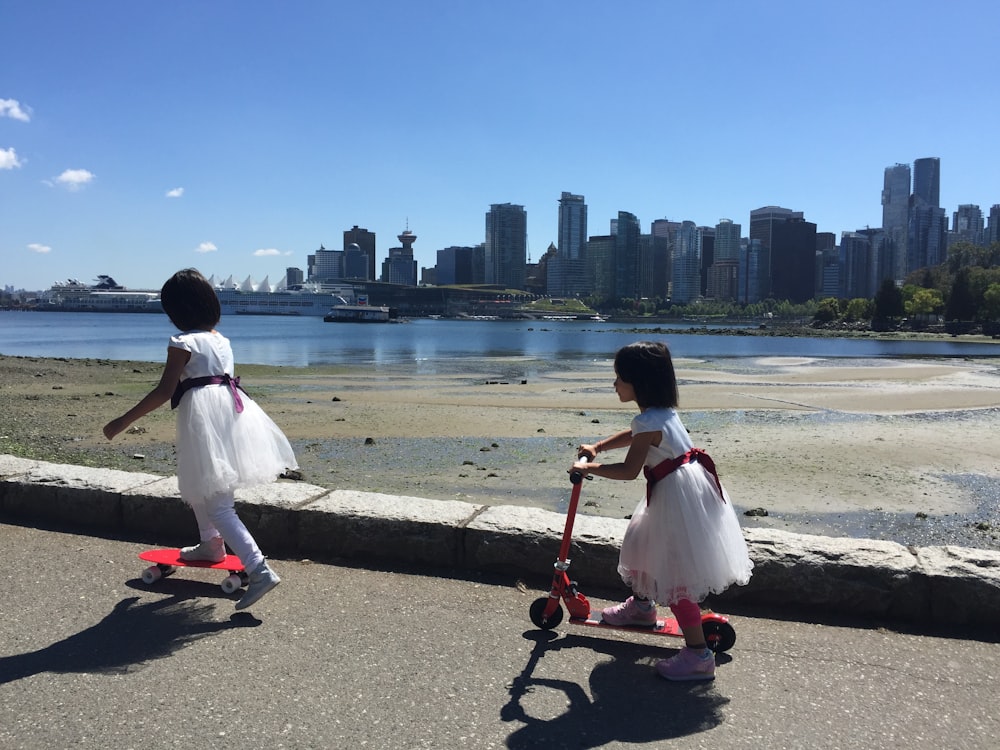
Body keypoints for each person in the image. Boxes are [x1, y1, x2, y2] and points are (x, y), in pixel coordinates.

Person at [103, 268, 298, 610]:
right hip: (231, 414)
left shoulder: (182, 342)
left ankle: (259, 568)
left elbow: (165, 391)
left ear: (177, 311)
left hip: (204, 418)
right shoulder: (221, 339)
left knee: (219, 503)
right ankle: (210, 545)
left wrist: (122, 421)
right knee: (199, 482)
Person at [573, 340, 753, 681]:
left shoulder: (650, 421)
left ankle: (699, 655)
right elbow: (637, 433)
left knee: (675, 575)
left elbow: (628, 471)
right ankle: (642, 607)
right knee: (642, 539)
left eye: (619, 378)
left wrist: (588, 469)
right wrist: (598, 446)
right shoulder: (661, 414)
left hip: (676, 497)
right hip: (684, 491)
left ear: (637, 382)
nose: (614, 384)